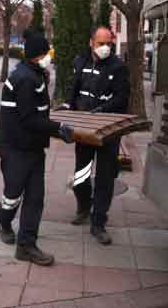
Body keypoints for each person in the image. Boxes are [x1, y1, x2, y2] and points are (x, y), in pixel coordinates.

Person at [0, 30, 75, 266]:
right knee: (13, 194)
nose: (48, 56)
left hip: (32, 147)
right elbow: (29, 119)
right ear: (34, 55)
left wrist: (55, 118)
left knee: (35, 197)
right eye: (45, 53)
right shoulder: (25, 79)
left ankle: (26, 246)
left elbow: (38, 112)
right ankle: (3, 220)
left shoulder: (35, 73)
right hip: (16, 148)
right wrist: (58, 128)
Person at [57, 27, 130, 245]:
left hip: (107, 131)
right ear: (92, 43)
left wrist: (103, 110)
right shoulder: (81, 61)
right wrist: (67, 104)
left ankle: (98, 223)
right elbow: (75, 88)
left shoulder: (118, 67)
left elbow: (122, 99)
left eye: (109, 43)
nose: (106, 47)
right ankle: (83, 207)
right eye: (101, 43)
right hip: (84, 130)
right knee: (81, 172)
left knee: (105, 177)